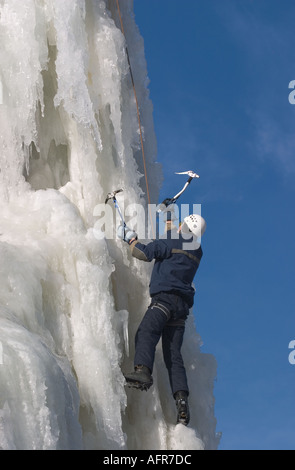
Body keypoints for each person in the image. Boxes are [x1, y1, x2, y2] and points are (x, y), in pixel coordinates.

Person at [117, 212, 206, 426]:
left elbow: (144, 253)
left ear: (184, 227)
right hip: (180, 309)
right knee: (174, 357)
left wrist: (130, 239)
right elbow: (174, 240)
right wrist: (168, 216)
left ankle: (143, 372)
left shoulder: (173, 240)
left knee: (146, 332)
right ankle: (182, 403)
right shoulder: (197, 251)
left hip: (164, 300)